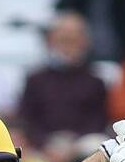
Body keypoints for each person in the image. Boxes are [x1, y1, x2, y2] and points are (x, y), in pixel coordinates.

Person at [16, 13, 109, 145]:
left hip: (82, 144)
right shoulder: (35, 80)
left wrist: (72, 143)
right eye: (63, 40)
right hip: (44, 145)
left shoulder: (95, 82)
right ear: (49, 42)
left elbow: (98, 120)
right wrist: (46, 143)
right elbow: (27, 119)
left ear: (85, 43)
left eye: (74, 41)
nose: (68, 47)